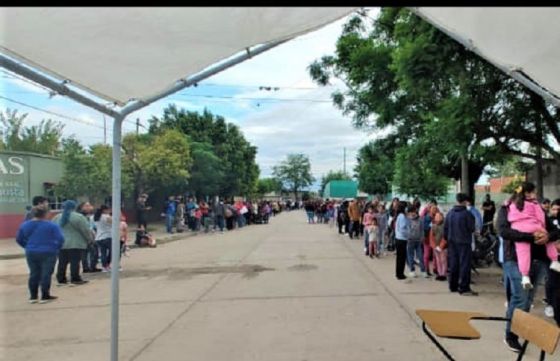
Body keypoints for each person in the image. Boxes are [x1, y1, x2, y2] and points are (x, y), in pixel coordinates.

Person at [498, 196, 558, 353]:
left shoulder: (537, 210)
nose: (532, 198)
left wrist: (548, 236)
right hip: (514, 260)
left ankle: (514, 323)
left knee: (527, 299)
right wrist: (530, 237)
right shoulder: (506, 209)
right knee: (521, 298)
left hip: (537, 260)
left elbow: (555, 231)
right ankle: (510, 335)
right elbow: (503, 231)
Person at [507, 182, 560, 290]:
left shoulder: (510, 204)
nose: (535, 194)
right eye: (534, 191)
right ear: (528, 193)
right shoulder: (534, 204)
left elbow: (506, 224)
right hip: (534, 227)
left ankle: (525, 276)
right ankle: (554, 261)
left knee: (523, 253)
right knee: (547, 240)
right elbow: (541, 217)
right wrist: (542, 228)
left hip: (518, 228)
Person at [16, 207, 64, 303]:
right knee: (46, 273)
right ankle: (45, 295)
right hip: (48, 251)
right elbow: (60, 239)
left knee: (34, 273)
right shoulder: (52, 225)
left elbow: (19, 239)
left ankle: (33, 296)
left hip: (31, 251)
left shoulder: (25, 225)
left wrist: (27, 246)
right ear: (45, 214)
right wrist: (56, 247)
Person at [444, 193, 477, 296]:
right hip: (464, 242)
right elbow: (472, 228)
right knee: (464, 265)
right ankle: (464, 287)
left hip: (451, 241)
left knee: (453, 264)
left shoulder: (450, 213)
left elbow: (445, 229)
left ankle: (452, 285)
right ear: (465, 201)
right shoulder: (467, 214)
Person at [53, 200, 93, 286]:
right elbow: (85, 230)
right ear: (74, 207)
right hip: (76, 243)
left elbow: (53, 230)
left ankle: (61, 278)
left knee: (62, 262)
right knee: (75, 261)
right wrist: (89, 239)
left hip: (61, 243)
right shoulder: (79, 217)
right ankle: (75, 278)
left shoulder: (57, 217)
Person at [77, 202, 100, 273]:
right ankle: (87, 267)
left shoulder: (92, 215)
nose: (89, 207)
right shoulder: (81, 216)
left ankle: (91, 266)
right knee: (87, 252)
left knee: (93, 251)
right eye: (86, 206)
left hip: (93, 235)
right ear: (81, 207)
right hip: (85, 236)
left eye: (90, 205)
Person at [407, 206, 427, 278]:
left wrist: (422, 237)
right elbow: (406, 230)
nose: (412, 213)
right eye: (410, 212)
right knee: (410, 256)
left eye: (413, 211)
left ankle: (423, 271)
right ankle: (412, 270)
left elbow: (422, 230)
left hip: (418, 241)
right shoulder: (407, 220)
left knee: (420, 256)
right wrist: (408, 238)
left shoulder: (420, 219)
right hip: (410, 241)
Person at [94, 205, 113, 272]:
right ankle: (107, 264)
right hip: (107, 236)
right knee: (112, 251)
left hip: (99, 237)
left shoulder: (96, 217)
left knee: (103, 253)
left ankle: (104, 266)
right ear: (104, 210)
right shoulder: (107, 217)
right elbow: (114, 224)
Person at [430, 211, 448, 281]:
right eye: (436, 216)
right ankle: (439, 273)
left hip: (443, 247)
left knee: (443, 260)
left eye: (439, 216)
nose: (437, 218)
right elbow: (431, 237)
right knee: (438, 260)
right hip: (436, 247)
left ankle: (443, 274)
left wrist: (441, 246)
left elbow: (445, 237)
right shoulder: (433, 226)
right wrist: (434, 246)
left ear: (442, 217)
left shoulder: (445, 226)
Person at [394, 201, 410, 280]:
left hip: (398, 238)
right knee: (402, 257)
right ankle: (400, 274)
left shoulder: (400, 215)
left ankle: (398, 273)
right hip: (402, 239)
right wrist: (409, 234)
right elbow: (403, 229)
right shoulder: (402, 216)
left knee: (399, 257)